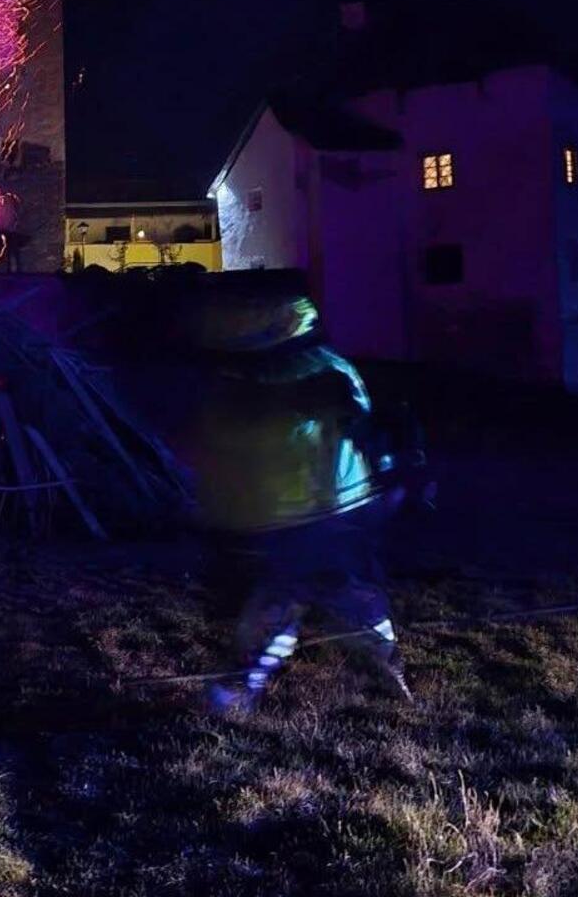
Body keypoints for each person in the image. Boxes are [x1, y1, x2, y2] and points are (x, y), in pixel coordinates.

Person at [177, 289, 414, 713]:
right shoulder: (284, 374)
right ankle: (378, 665)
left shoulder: (313, 372)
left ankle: (379, 668)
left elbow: (361, 429)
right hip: (313, 514)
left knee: (320, 597)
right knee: (298, 599)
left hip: (321, 513)